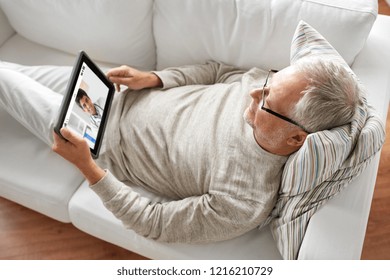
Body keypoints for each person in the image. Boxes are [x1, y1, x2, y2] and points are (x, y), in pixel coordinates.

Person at [1, 58, 362, 243]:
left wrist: (87, 168)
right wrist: (155, 78)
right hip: (112, 93)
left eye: (268, 100)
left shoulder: (244, 202)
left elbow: (153, 222)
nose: (255, 92)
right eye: (268, 82)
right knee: (10, 71)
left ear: (296, 139)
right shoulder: (270, 86)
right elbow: (220, 72)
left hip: (99, 138)